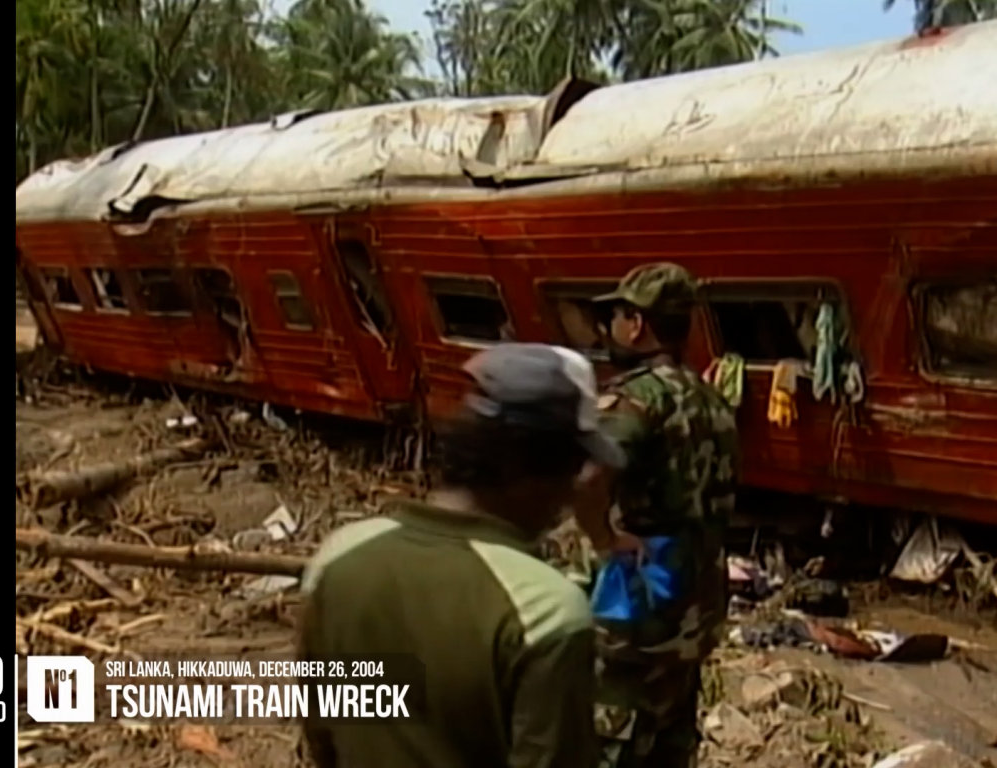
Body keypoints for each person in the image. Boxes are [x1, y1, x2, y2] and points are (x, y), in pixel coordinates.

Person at [297, 343, 626, 768]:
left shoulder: (338, 558)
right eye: (569, 470)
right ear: (527, 465)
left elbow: (323, 732)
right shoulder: (543, 609)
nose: (570, 493)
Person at [575, 263, 740, 768]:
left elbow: (586, 479)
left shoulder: (635, 400)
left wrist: (603, 540)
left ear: (638, 324)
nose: (611, 328)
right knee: (671, 740)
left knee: (613, 741)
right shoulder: (713, 400)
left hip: (638, 612)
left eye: (618, 315)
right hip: (697, 609)